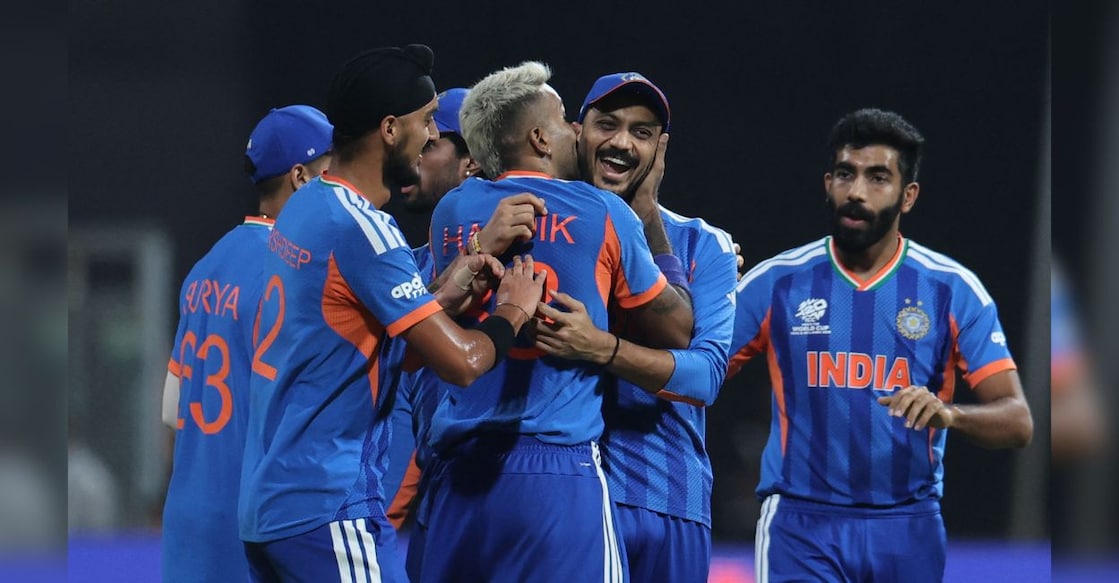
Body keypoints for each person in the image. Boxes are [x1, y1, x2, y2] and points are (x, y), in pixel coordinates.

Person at [236, 45, 545, 583]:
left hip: (272, 504)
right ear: (389, 129)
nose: (432, 137)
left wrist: (446, 290)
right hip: (327, 507)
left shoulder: (307, 205)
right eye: (426, 122)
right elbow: (464, 363)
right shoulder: (367, 230)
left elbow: (352, 333)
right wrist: (512, 312)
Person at [414, 60, 694, 583]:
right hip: (557, 470)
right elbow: (677, 329)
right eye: (566, 120)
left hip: (458, 471)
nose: (575, 132)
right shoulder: (602, 212)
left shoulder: (451, 211)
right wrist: (651, 212)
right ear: (541, 138)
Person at [727, 107, 1033, 582]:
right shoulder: (777, 283)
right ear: (827, 182)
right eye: (846, 174)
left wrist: (951, 414)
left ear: (907, 196)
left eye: (877, 178)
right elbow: (696, 370)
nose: (856, 192)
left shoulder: (952, 290)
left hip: (908, 527)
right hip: (800, 525)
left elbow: (1017, 421)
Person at [530, 72, 739, 582]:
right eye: (608, 124)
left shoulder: (703, 245)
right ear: (577, 132)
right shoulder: (539, 225)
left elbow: (703, 378)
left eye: (642, 132)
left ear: (659, 148)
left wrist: (601, 346)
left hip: (672, 501)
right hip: (569, 493)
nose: (622, 142)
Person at [160, 104, 333, 583]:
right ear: (301, 177)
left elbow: (171, 410)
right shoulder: (289, 272)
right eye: (330, 169)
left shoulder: (206, 266)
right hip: (252, 519)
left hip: (187, 515)